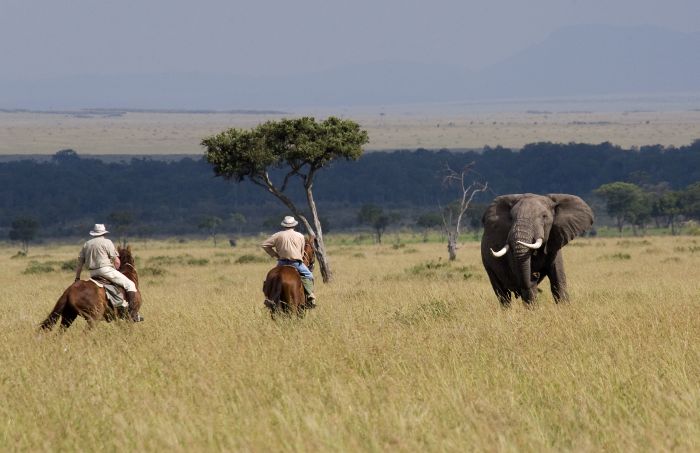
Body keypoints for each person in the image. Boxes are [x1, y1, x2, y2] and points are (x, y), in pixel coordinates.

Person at [74, 224, 143, 322]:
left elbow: (80, 263)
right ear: (104, 233)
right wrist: (117, 269)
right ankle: (133, 314)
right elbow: (117, 261)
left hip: (93, 273)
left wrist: (77, 278)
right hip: (106, 271)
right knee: (130, 284)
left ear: (94, 233)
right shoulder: (107, 242)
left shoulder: (87, 244)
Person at [261, 216, 316, 308]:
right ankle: (310, 296)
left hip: (281, 262)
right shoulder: (300, 236)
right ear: (294, 225)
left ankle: (269, 298)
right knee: (309, 276)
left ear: (284, 225)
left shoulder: (277, 235)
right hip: (296, 263)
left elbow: (264, 244)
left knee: (269, 279)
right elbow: (302, 251)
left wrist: (275, 254)